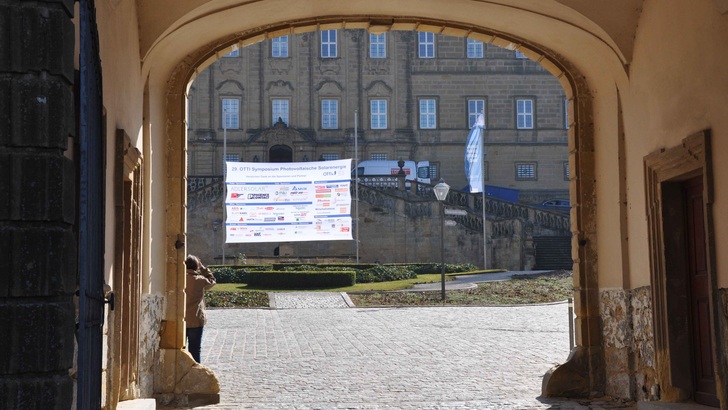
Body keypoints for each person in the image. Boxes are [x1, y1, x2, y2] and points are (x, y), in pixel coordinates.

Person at [184, 254, 216, 363]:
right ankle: (195, 372)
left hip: (180, 319)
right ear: (196, 266)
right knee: (195, 350)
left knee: (180, 349)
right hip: (195, 320)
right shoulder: (200, 280)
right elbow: (212, 281)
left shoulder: (179, 279)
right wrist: (203, 268)